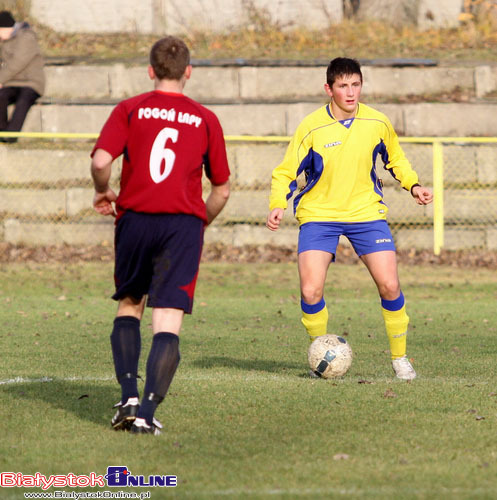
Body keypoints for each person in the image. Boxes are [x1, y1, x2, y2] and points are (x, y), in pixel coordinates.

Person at [91, 36, 230, 435]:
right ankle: (148, 414)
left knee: (130, 303)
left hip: (135, 218)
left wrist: (102, 189)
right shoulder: (205, 118)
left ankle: (128, 398)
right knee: (167, 318)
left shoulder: (130, 109)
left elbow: (102, 161)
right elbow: (221, 188)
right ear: (188, 72)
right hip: (181, 224)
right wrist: (198, 223)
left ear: (151, 71)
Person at [266, 57, 433, 380]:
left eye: (355, 84)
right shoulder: (311, 127)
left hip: (366, 213)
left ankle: (400, 359)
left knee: (390, 284)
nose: (351, 92)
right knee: (311, 291)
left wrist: (413, 185)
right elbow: (286, 171)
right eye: (343, 86)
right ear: (329, 89)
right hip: (319, 215)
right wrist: (278, 203)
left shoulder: (377, 123)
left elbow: (395, 159)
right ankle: (321, 355)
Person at [0, 10, 45, 143]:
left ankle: (10, 135)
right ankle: (2, 131)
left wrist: (0, 79)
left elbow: (17, 63)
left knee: (23, 101)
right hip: (11, 83)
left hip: (31, 82)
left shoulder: (26, 38)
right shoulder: (4, 42)